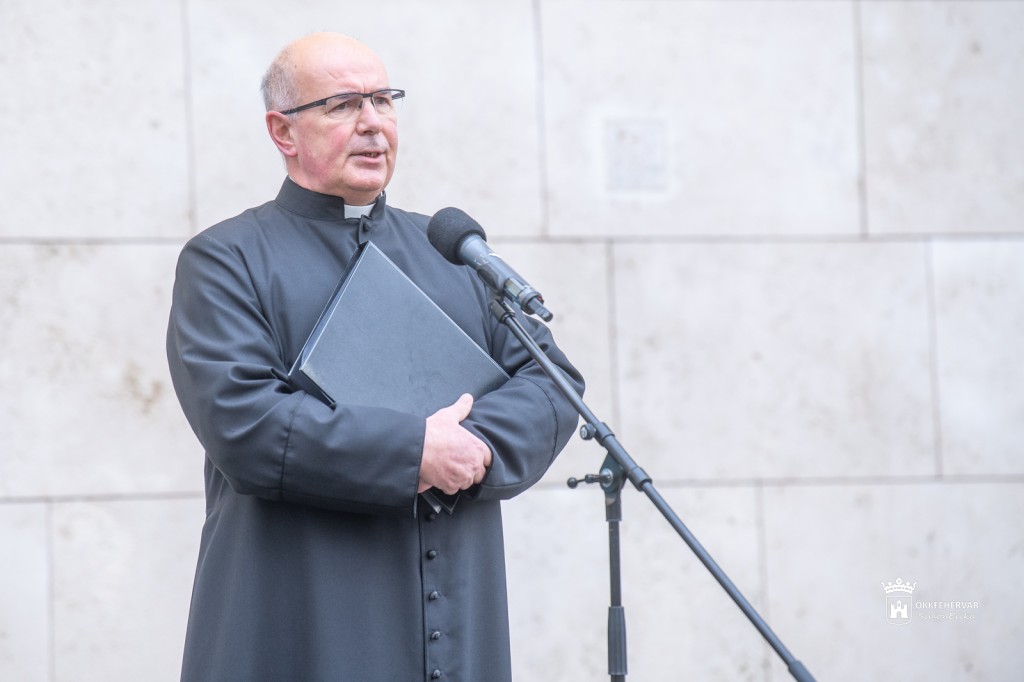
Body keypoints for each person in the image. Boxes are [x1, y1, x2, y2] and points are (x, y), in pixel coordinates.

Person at [165, 32, 584, 682]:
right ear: (283, 132)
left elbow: (552, 385)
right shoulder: (227, 261)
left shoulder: (450, 253)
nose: (372, 123)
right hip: (302, 620)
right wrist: (415, 451)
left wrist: (471, 447)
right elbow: (244, 422)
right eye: (343, 105)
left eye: (384, 101)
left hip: (459, 612)